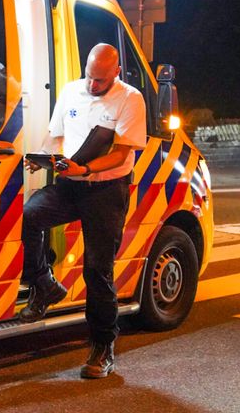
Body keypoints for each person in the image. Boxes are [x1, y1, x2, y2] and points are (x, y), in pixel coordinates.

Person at [21, 43, 146, 379]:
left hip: (106, 190)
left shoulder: (130, 99)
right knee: (32, 213)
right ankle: (43, 283)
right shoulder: (71, 91)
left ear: (116, 73)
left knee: (97, 270)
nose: (93, 85)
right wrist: (43, 158)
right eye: (90, 77)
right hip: (72, 184)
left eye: (100, 81)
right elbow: (55, 135)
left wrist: (85, 170)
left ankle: (103, 347)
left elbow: (120, 155)